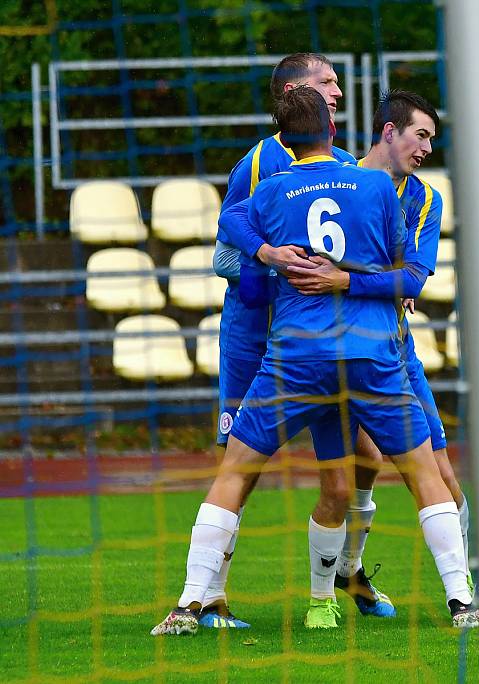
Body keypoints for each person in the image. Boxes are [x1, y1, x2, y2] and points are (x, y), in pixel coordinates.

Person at [150, 87, 478, 636]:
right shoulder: (375, 185)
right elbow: (409, 273)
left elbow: (230, 227)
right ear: (333, 130)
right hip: (372, 352)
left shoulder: (272, 190)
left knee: (236, 470)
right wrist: (353, 274)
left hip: (297, 356)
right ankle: (462, 603)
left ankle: (188, 605)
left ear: (284, 136)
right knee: (424, 473)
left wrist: (268, 253)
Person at [203, 52, 392, 628]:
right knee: (243, 466)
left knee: (368, 457)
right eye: (327, 82)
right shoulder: (257, 163)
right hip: (257, 336)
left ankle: (347, 569)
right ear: (293, 92)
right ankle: (207, 597)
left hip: (323, 340)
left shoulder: (340, 164)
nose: (338, 90)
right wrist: (271, 258)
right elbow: (223, 250)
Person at [284, 89, 474, 593]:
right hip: (324, 347)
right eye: (421, 135)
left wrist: (352, 278)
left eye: (433, 139)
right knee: (349, 472)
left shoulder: (425, 198)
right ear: (389, 131)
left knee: (439, 472)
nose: (428, 149)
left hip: (393, 347)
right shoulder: (333, 172)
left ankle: (464, 585)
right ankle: (336, 581)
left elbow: (412, 279)